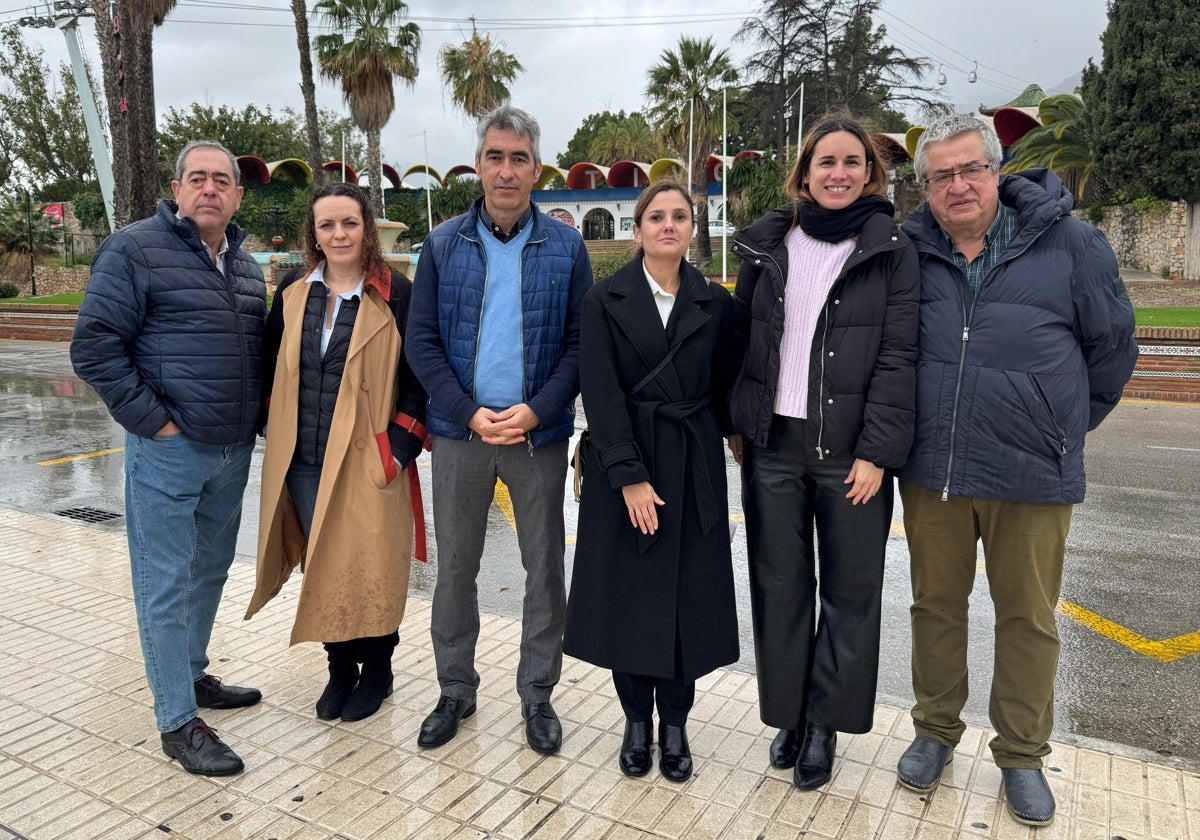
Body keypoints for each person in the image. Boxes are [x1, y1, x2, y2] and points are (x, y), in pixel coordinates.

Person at [895, 114, 1137, 827]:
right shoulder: (908, 252)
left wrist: (1059, 428)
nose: (959, 185)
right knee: (934, 609)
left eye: (971, 169)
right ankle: (934, 732)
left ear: (997, 171)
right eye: (942, 175)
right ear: (926, 187)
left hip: (1033, 475)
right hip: (934, 471)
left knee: (1028, 618)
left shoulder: (1072, 244)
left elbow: (1112, 350)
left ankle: (1023, 754)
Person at [727, 113, 920, 790]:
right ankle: (790, 714)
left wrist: (877, 452)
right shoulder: (767, 243)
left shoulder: (890, 248)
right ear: (803, 172)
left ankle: (826, 726)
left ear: (870, 172)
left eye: (851, 162)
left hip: (851, 456)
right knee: (780, 589)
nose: (838, 173)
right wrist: (739, 421)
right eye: (825, 162)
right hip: (773, 446)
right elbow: (743, 341)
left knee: (850, 593)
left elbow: (900, 358)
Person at [71, 140, 266, 776]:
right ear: (177, 188)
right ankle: (177, 722)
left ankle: (191, 677)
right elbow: (95, 346)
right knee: (163, 582)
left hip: (231, 452)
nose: (210, 189)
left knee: (209, 572)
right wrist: (154, 422)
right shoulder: (133, 250)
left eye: (222, 181)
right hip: (170, 453)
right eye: (198, 178)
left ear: (237, 195)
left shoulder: (244, 265)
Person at [405, 104, 592, 754]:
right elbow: (421, 342)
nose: (506, 170)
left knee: (544, 572)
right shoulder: (441, 244)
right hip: (460, 437)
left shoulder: (567, 247)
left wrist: (539, 409)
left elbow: (579, 344)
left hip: (535, 440)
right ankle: (455, 688)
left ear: (536, 168)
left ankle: (536, 695)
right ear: (478, 165)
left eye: (518, 158)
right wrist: (465, 409)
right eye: (495, 156)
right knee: (456, 570)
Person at [563, 180, 739, 783]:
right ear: (635, 230)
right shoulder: (603, 299)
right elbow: (600, 393)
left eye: (680, 216)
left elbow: (727, 387)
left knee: (686, 599)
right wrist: (630, 477)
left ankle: (676, 724)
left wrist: (739, 444)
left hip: (693, 462)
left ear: (693, 228)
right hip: (626, 462)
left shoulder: (715, 302)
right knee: (629, 600)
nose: (669, 225)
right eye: (656, 216)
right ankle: (636, 722)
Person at [244, 182, 427, 723]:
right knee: (323, 566)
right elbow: (270, 363)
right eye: (327, 225)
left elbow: (420, 381)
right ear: (314, 234)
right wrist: (267, 426)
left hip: (367, 458)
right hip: (303, 458)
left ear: (367, 228)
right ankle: (339, 668)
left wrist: (396, 449)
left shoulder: (398, 296)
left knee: (374, 566)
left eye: (349, 223)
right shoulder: (294, 291)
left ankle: (377, 671)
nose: (339, 234)